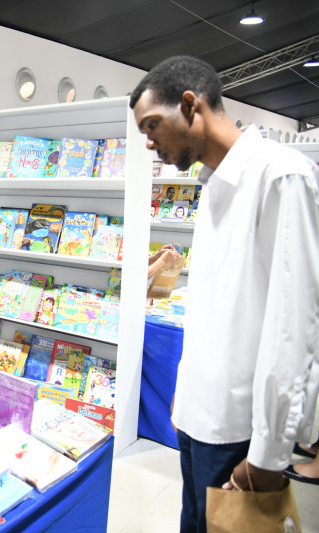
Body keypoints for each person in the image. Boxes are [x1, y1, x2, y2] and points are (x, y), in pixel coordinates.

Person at [130, 55, 319, 532]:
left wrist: (269, 455)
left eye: (153, 126)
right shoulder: (211, 185)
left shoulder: (281, 175)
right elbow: (216, 307)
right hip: (200, 417)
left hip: (241, 429)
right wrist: (185, 389)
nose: (151, 145)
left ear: (191, 105)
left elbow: (294, 328)